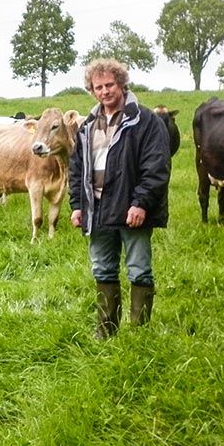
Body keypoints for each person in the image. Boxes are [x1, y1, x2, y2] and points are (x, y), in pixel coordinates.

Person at [68, 58, 171, 339]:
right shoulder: (88, 126)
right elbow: (77, 169)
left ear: (122, 84)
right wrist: (77, 205)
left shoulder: (144, 120)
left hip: (130, 207)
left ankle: (139, 334)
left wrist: (141, 203)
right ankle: (106, 330)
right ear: (92, 91)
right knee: (102, 268)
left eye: (109, 85)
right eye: (98, 87)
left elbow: (157, 166)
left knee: (138, 269)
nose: (104, 91)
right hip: (97, 207)